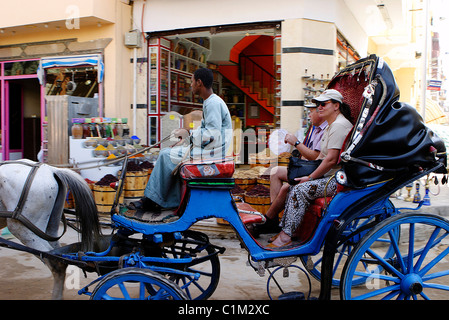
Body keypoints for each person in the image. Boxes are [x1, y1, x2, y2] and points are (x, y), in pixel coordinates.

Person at [134, 68, 232, 212]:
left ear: (199, 83)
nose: (190, 85)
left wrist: (188, 135)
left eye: (192, 81)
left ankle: (151, 200)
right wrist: (188, 135)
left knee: (165, 155)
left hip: (212, 153)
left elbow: (211, 134)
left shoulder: (212, 103)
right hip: (210, 150)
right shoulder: (211, 101)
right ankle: (167, 200)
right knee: (169, 153)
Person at [268, 89, 353, 248]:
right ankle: (284, 230)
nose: (319, 107)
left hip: (336, 179)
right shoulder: (332, 125)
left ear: (336, 106)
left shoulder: (339, 126)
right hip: (328, 175)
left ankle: (286, 235)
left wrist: (310, 177)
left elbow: (330, 160)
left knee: (300, 189)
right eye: (318, 105)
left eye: (323, 104)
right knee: (293, 185)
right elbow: (322, 158)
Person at [254, 105, 328, 236]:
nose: (309, 115)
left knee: (285, 188)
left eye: (311, 112)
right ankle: (274, 218)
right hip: (307, 167)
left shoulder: (325, 130)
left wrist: (296, 143)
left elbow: (315, 157)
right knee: (275, 172)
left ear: (320, 113)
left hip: (315, 170)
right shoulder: (314, 129)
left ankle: (269, 219)